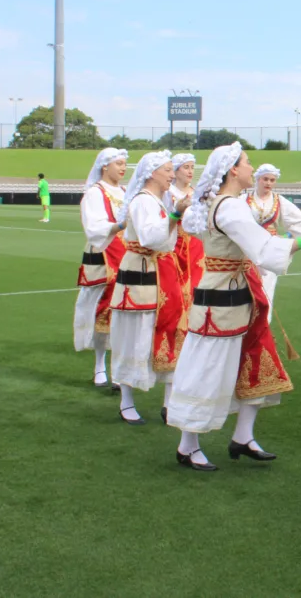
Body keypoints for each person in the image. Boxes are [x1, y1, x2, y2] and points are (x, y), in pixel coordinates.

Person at [167, 143, 301, 471]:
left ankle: (243, 436)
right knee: (210, 368)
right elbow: (266, 250)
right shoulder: (230, 208)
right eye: (247, 163)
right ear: (232, 171)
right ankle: (188, 445)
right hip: (223, 301)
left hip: (236, 296)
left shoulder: (226, 204)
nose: (251, 168)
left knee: (255, 359)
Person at [110, 150, 190, 426]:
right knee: (136, 334)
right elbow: (151, 237)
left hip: (164, 270)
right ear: (152, 172)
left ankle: (170, 402)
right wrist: (175, 215)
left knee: (171, 331)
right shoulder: (143, 201)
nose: (172, 174)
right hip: (142, 271)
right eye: (168, 170)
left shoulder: (162, 199)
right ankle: (127, 401)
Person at [73, 148, 129, 388]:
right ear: (105, 166)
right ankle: (99, 364)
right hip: (105, 255)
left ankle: (118, 366)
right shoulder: (95, 193)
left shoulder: (126, 192)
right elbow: (94, 226)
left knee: (124, 311)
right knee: (102, 308)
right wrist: (119, 226)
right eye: (118, 164)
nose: (123, 168)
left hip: (126, 255)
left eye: (124, 164)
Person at [246, 163, 301, 321]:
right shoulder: (244, 199)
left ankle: (263, 332)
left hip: (269, 250)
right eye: (265, 179)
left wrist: (285, 238)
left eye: (272, 180)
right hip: (247, 250)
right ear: (257, 179)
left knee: (266, 291)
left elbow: (300, 223)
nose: (268, 183)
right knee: (245, 292)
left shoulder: (279, 201)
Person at [166, 153, 203, 310]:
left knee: (197, 285)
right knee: (177, 290)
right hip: (176, 245)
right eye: (186, 167)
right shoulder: (168, 193)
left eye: (192, 168)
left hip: (197, 246)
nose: (190, 171)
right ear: (176, 170)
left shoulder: (197, 193)